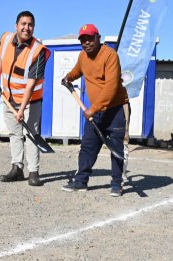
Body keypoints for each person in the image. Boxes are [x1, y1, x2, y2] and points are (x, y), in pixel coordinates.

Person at [61, 23, 129, 197]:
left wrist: (94, 109)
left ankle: (116, 184)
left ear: (98, 38)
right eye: (83, 40)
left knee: (116, 148)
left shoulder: (110, 55)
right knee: (88, 146)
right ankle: (81, 181)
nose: (87, 43)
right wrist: (68, 77)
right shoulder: (83, 56)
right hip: (95, 110)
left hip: (114, 110)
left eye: (90, 38)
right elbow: (78, 70)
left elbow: (111, 87)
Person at [0, 10, 50, 187]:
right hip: (8, 97)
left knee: (31, 135)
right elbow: (0, 59)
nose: (27, 28)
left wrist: (22, 109)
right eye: (23, 24)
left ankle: (34, 171)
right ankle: (17, 168)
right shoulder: (6, 39)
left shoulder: (38, 50)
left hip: (30, 100)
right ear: (16, 26)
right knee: (14, 134)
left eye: (30, 25)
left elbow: (31, 84)